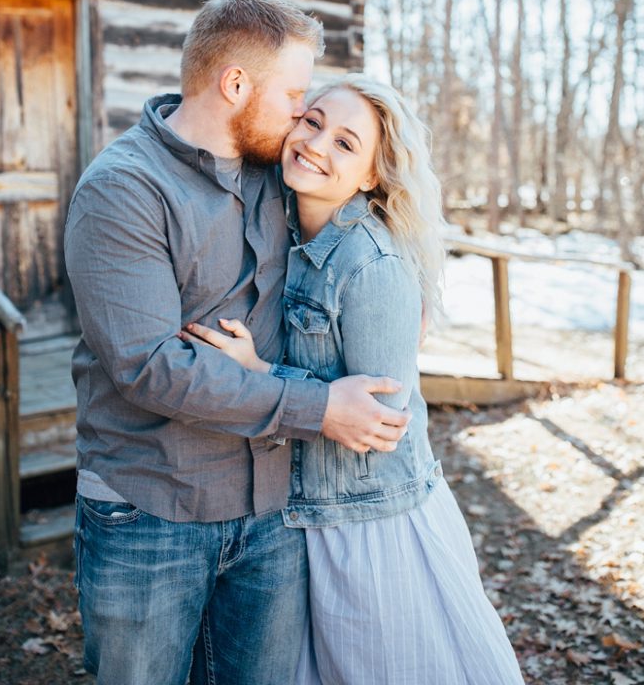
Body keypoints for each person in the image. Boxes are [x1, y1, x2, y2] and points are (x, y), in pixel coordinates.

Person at [64, 0, 411, 685]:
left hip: (269, 513)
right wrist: (318, 408)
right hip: (151, 507)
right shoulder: (123, 189)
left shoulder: (277, 171)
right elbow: (151, 370)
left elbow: (362, 206)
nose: (301, 115)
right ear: (234, 85)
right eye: (293, 94)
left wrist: (404, 293)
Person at [187, 74, 525, 685]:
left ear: (371, 175)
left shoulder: (372, 264)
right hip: (310, 516)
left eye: (346, 143)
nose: (316, 144)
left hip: (374, 524)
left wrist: (258, 373)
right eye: (313, 122)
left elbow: (381, 424)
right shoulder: (284, 228)